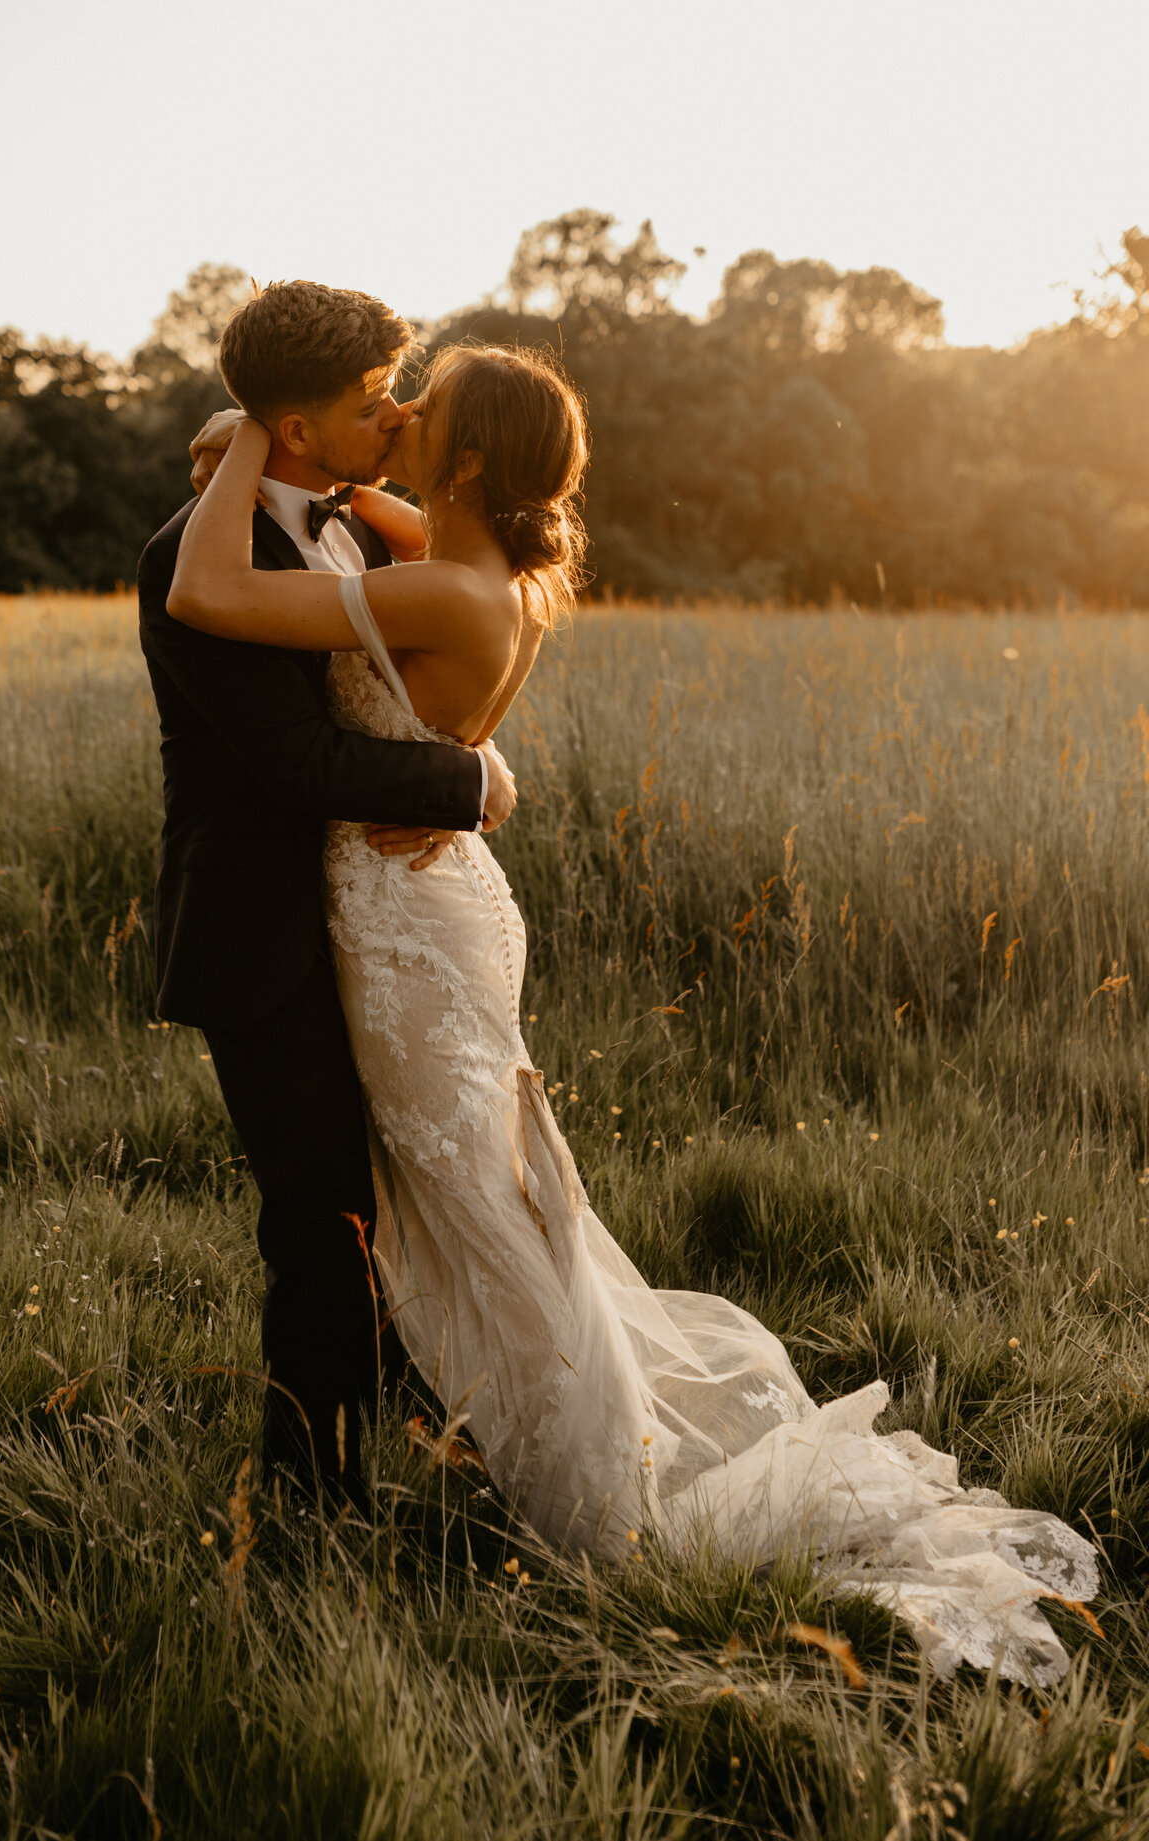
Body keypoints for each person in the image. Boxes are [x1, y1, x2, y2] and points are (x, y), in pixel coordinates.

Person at [170, 340, 1099, 1686]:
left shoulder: (442, 581)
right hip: (449, 899)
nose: (407, 410)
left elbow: (207, 587)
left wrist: (253, 432)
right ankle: (454, 1427)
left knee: (480, 1201)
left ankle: (597, 1488)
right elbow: (378, 521)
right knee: (484, 1185)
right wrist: (319, 470)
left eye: (430, 406)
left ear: (479, 460)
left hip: (404, 920)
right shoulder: (495, 568)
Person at [136, 282, 516, 1508]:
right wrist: (469, 778)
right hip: (261, 930)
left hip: (372, 922)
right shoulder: (190, 556)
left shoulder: (349, 520)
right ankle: (311, 1498)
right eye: (371, 402)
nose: (398, 414)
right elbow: (301, 765)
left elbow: (484, 603)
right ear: (296, 429)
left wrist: (480, 759)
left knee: (398, 1196)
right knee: (320, 1220)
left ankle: (415, 1429)